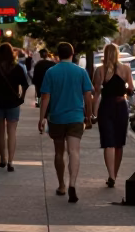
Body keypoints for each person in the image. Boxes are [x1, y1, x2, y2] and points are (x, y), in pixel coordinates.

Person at [38, 42, 94, 203]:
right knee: (74, 152)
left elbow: (45, 97)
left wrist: (41, 118)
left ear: (58, 54)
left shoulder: (51, 72)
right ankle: (73, 184)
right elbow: (87, 95)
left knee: (58, 152)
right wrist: (88, 116)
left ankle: (62, 185)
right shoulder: (81, 72)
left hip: (57, 118)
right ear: (72, 53)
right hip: (76, 118)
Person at [91, 43, 134, 188]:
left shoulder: (100, 70)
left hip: (106, 107)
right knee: (119, 143)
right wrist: (126, 90)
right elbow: (131, 89)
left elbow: (96, 94)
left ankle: (111, 175)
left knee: (108, 142)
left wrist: (93, 113)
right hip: (121, 106)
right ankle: (114, 174)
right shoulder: (126, 69)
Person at [0, 42, 30, 170]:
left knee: (0, 132)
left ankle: (2, 159)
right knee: (12, 132)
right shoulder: (17, 68)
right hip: (13, 103)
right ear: (11, 54)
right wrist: (22, 97)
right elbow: (25, 85)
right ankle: (10, 161)